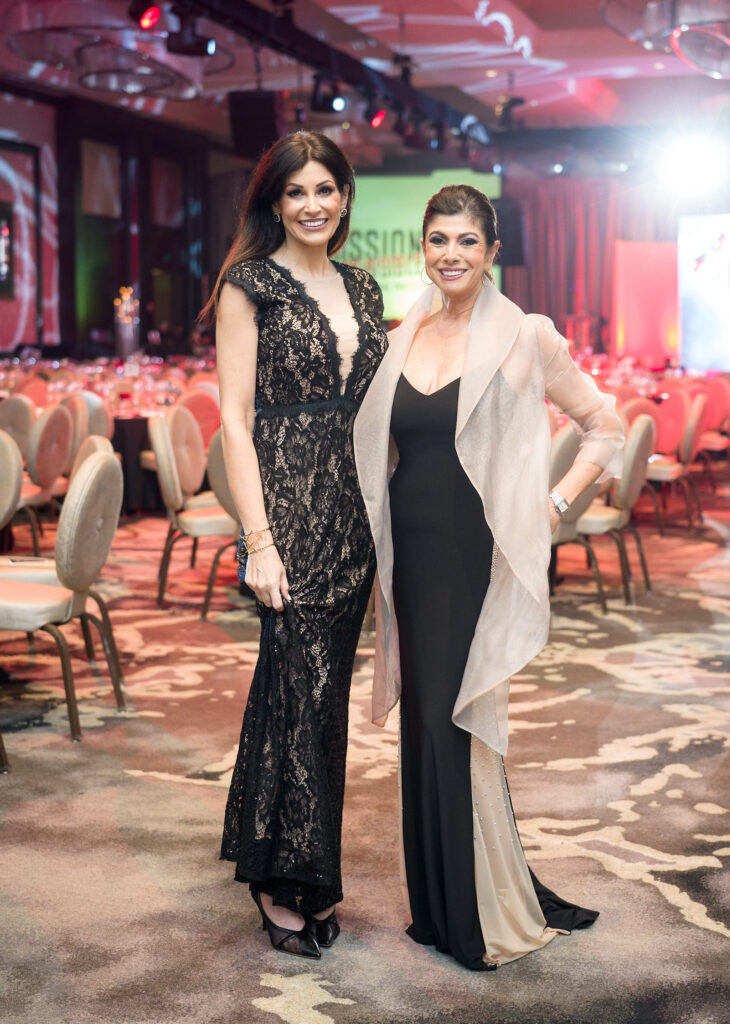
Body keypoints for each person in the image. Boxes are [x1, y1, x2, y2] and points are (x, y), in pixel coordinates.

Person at [354, 184, 624, 971]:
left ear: (492, 251)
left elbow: (603, 422)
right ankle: (441, 905)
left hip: (477, 550)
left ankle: (477, 910)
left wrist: (556, 500)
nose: (451, 254)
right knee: (425, 723)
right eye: (438, 239)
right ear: (425, 247)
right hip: (411, 547)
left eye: (467, 241)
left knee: (454, 717)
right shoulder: (406, 335)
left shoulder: (526, 335)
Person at [204, 131, 388, 959]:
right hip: (287, 508)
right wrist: (260, 540)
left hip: (354, 512)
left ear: (344, 197)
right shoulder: (249, 286)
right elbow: (235, 422)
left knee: (324, 697)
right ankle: (284, 880)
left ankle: (303, 867)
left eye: (325, 189)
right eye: (295, 192)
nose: (312, 204)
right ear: (274, 203)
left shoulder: (363, 283)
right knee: (294, 689)